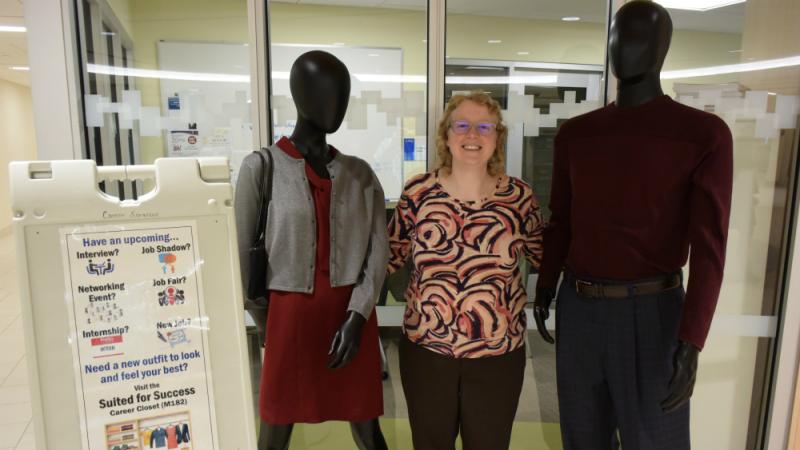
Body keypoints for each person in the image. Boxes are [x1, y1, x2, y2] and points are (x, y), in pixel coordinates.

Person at [532, 2, 733, 449]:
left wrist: (692, 339)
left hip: (654, 312)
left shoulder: (703, 134)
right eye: (617, 35)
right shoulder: (577, 135)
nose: (624, 46)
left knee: (654, 442)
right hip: (580, 306)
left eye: (640, 36)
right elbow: (562, 220)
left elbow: (709, 248)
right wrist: (546, 282)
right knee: (582, 439)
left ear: (663, 47)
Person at [235, 50, 389, 450]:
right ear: (301, 96)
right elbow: (241, 252)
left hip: (351, 315)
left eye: (343, 94)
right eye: (327, 93)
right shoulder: (261, 167)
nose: (337, 104)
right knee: (275, 428)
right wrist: (265, 321)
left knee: (368, 429)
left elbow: (378, 251)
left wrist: (358, 317)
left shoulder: (360, 174)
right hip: (288, 317)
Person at [388, 91, 544, 450]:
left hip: (497, 357)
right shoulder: (418, 193)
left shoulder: (519, 198)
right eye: (462, 125)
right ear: (446, 135)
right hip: (427, 352)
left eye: (484, 126)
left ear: (497, 137)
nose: (472, 135)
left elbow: (544, 256)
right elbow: (388, 256)